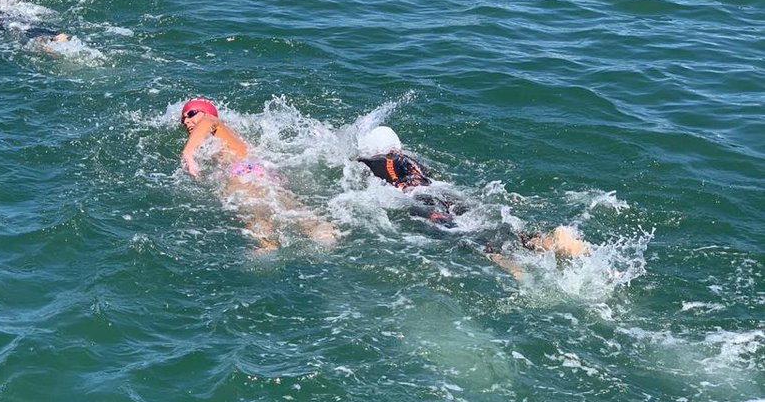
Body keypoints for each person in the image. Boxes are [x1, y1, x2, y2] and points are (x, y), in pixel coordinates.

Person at [356, 125, 590, 280]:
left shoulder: (371, 163)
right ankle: (545, 241)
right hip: (445, 192)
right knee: (477, 219)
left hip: (417, 198)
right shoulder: (410, 159)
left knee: (460, 233)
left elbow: (359, 176)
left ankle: (507, 263)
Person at [179, 98, 336, 251]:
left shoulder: (214, 125)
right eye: (183, 118)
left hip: (242, 170)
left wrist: (188, 153)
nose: (186, 121)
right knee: (282, 204)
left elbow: (208, 120)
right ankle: (321, 230)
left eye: (191, 113)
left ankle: (267, 245)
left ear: (205, 112)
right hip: (257, 168)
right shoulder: (220, 136)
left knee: (250, 211)